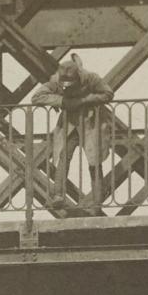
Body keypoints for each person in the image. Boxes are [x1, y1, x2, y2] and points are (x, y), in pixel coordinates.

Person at [36, 48, 110, 205]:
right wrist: (63, 102)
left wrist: (85, 100)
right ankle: (58, 195)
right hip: (69, 125)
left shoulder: (91, 78)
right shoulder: (57, 80)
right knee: (64, 157)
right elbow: (37, 97)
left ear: (78, 77)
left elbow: (107, 93)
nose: (66, 86)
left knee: (94, 160)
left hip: (91, 124)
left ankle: (97, 200)